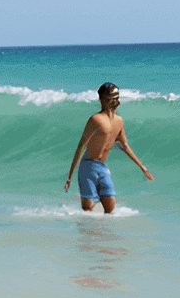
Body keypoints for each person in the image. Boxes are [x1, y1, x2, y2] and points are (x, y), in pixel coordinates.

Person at [65, 82, 153, 213]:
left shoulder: (119, 121)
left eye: (117, 97)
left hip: (102, 167)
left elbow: (125, 146)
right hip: (87, 167)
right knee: (87, 209)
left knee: (110, 208)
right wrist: (70, 177)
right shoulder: (95, 119)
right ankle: (87, 225)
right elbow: (81, 146)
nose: (115, 100)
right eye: (111, 97)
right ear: (102, 99)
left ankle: (101, 224)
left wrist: (143, 168)